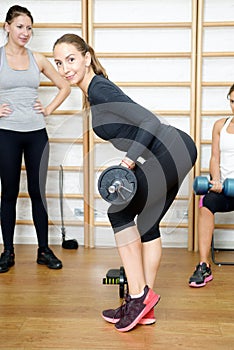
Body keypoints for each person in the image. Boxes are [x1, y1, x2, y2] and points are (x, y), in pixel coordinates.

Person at [53, 33, 197, 332]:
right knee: (147, 223)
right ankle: (144, 306)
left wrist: (128, 161)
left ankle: (137, 296)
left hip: (169, 149)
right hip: (177, 150)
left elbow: (150, 122)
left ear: (86, 58)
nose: (65, 68)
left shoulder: (100, 88)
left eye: (70, 59)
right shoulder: (94, 93)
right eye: (58, 62)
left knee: (117, 212)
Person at [0, 5, 71, 273]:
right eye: (20, 26)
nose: (25, 32)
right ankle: (7, 251)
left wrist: (49, 109)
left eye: (29, 28)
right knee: (9, 193)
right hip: (6, 133)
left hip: (36, 134)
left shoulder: (38, 59)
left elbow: (64, 86)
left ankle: (43, 250)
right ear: (6, 27)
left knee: (37, 193)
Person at [189, 84, 234, 287]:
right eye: (232, 101)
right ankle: (203, 265)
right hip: (224, 189)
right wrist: (216, 181)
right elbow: (215, 157)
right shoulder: (220, 125)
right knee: (206, 203)